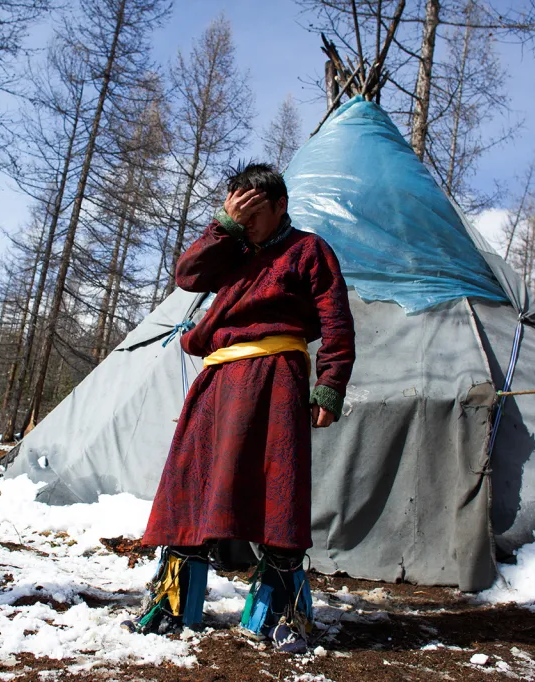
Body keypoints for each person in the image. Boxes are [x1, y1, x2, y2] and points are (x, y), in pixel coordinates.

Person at [123, 163, 356, 653]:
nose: (245, 220)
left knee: (277, 489)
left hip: (278, 377)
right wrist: (224, 228)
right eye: (237, 209)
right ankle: (172, 604)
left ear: (281, 207)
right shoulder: (230, 249)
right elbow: (188, 275)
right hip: (218, 377)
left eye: (254, 210)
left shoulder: (310, 250)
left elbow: (336, 322)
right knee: (192, 483)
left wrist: (330, 384)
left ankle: (277, 614)